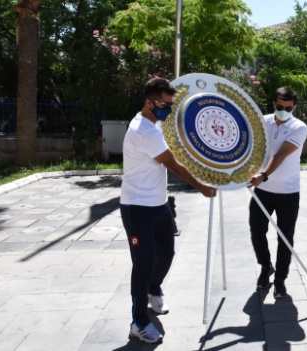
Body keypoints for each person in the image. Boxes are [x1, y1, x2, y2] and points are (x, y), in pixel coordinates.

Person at [121, 78, 218, 343]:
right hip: (137, 207)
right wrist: (201, 186)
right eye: (164, 104)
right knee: (144, 263)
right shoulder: (144, 130)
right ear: (148, 102)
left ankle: (154, 290)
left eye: (170, 104)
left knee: (166, 252)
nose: (167, 109)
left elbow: (174, 148)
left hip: (159, 204)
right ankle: (138, 322)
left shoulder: (154, 123)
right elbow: (173, 165)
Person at [247, 87, 307, 299]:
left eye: (288, 108)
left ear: (294, 107)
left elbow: (281, 154)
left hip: (288, 192)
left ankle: (280, 280)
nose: (284, 110)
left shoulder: (299, 127)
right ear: (274, 103)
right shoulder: (262, 122)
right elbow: (249, 147)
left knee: (285, 237)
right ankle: (266, 267)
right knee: (256, 232)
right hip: (262, 191)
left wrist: (263, 175)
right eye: (280, 106)